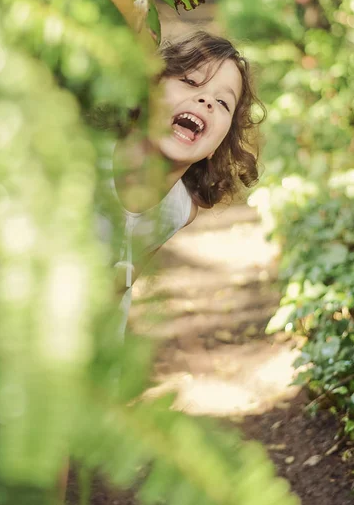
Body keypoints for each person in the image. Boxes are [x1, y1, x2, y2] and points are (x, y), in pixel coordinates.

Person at [97, 30, 264, 333]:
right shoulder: (85, 157)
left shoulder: (179, 210)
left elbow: (125, 279)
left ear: (218, 145)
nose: (205, 100)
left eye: (223, 103)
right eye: (190, 81)